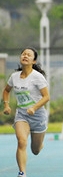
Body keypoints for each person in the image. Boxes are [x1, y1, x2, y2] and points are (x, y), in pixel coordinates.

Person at [2, 47, 50, 177]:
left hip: (38, 115)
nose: (25, 56)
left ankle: (39, 144)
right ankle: (22, 173)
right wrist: (6, 105)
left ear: (33, 61)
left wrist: (34, 108)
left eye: (29, 55)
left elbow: (46, 97)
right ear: (20, 57)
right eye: (23, 54)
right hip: (22, 114)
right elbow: (6, 91)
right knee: (21, 141)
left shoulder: (37, 77)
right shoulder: (14, 76)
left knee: (35, 150)